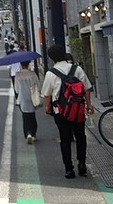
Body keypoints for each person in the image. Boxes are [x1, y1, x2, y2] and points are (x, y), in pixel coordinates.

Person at [41, 44, 94, 179]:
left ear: (51, 58)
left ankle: (69, 169)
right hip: (78, 110)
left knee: (65, 140)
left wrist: (47, 108)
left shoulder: (50, 73)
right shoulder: (77, 69)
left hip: (60, 111)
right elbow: (87, 88)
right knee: (81, 137)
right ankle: (82, 164)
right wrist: (89, 105)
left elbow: (47, 95)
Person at [15, 60, 40, 143]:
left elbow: (17, 89)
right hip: (32, 97)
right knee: (32, 116)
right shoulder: (32, 74)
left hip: (22, 98)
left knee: (25, 116)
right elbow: (38, 85)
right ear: (28, 64)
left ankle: (27, 133)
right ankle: (33, 133)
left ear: (21, 64)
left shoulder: (18, 75)